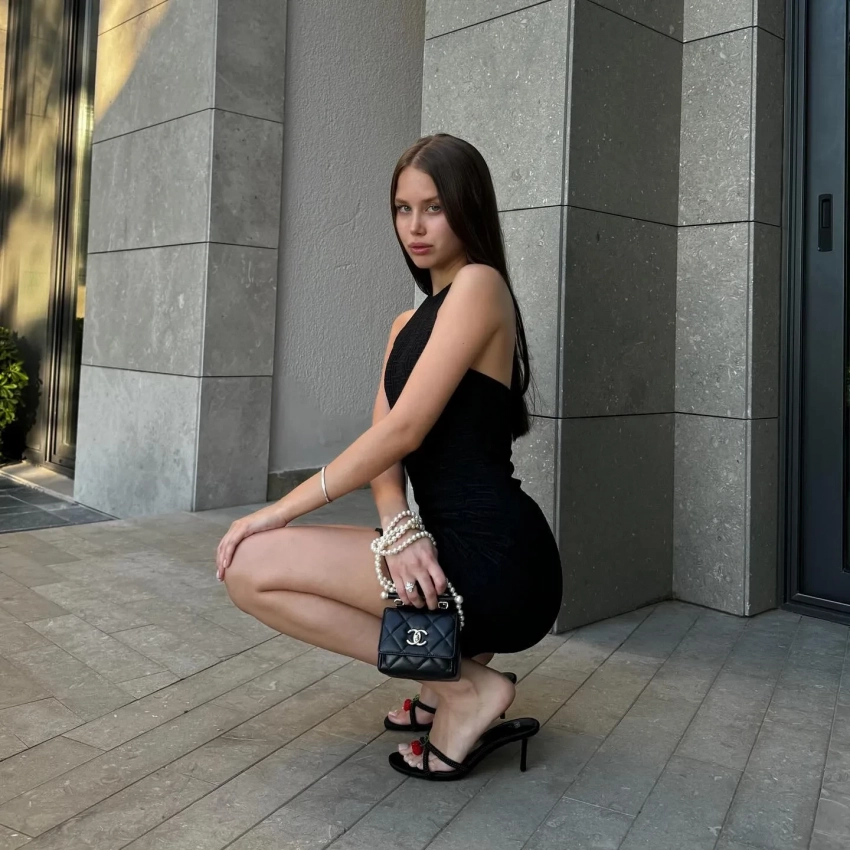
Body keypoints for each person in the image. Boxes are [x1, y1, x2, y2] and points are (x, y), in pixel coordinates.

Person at [216, 133, 563, 780]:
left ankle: (465, 690)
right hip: (445, 550)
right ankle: (443, 681)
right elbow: (384, 450)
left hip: (500, 558)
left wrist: (277, 511)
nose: (415, 227)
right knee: (258, 570)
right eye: (403, 209)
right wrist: (398, 528)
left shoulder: (481, 286)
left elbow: (404, 429)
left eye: (434, 207)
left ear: (468, 207)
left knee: (251, 564)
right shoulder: (405, 325)